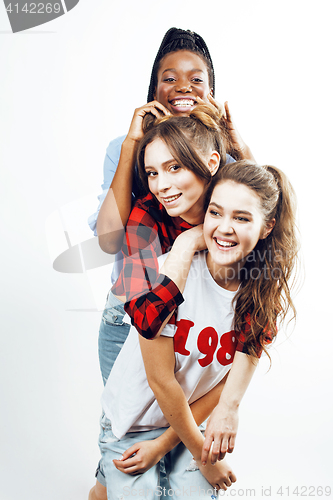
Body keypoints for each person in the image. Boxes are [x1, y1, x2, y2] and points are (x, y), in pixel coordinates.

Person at [89, 27, 255, 500]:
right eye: (169, 77)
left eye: (196, 79)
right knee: (128, 419)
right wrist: (131, 150)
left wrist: (236, 145)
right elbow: (110, 241)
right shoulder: (141, 185)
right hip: (135, 310)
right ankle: (109, 479)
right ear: (153, 88)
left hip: (197, 330)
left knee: (167, 436)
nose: (182, 87)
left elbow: (266, 220)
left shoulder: (226, 166)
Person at [99, 158, 299, 499]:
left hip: (189, 422)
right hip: (133, 424)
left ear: (267, 227)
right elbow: (161, 380)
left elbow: (225, 384)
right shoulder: (170, 274)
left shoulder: (262, 293)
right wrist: (201, 456)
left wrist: (173, 445)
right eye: (216, 213)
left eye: (242, 218)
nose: (223, 228)